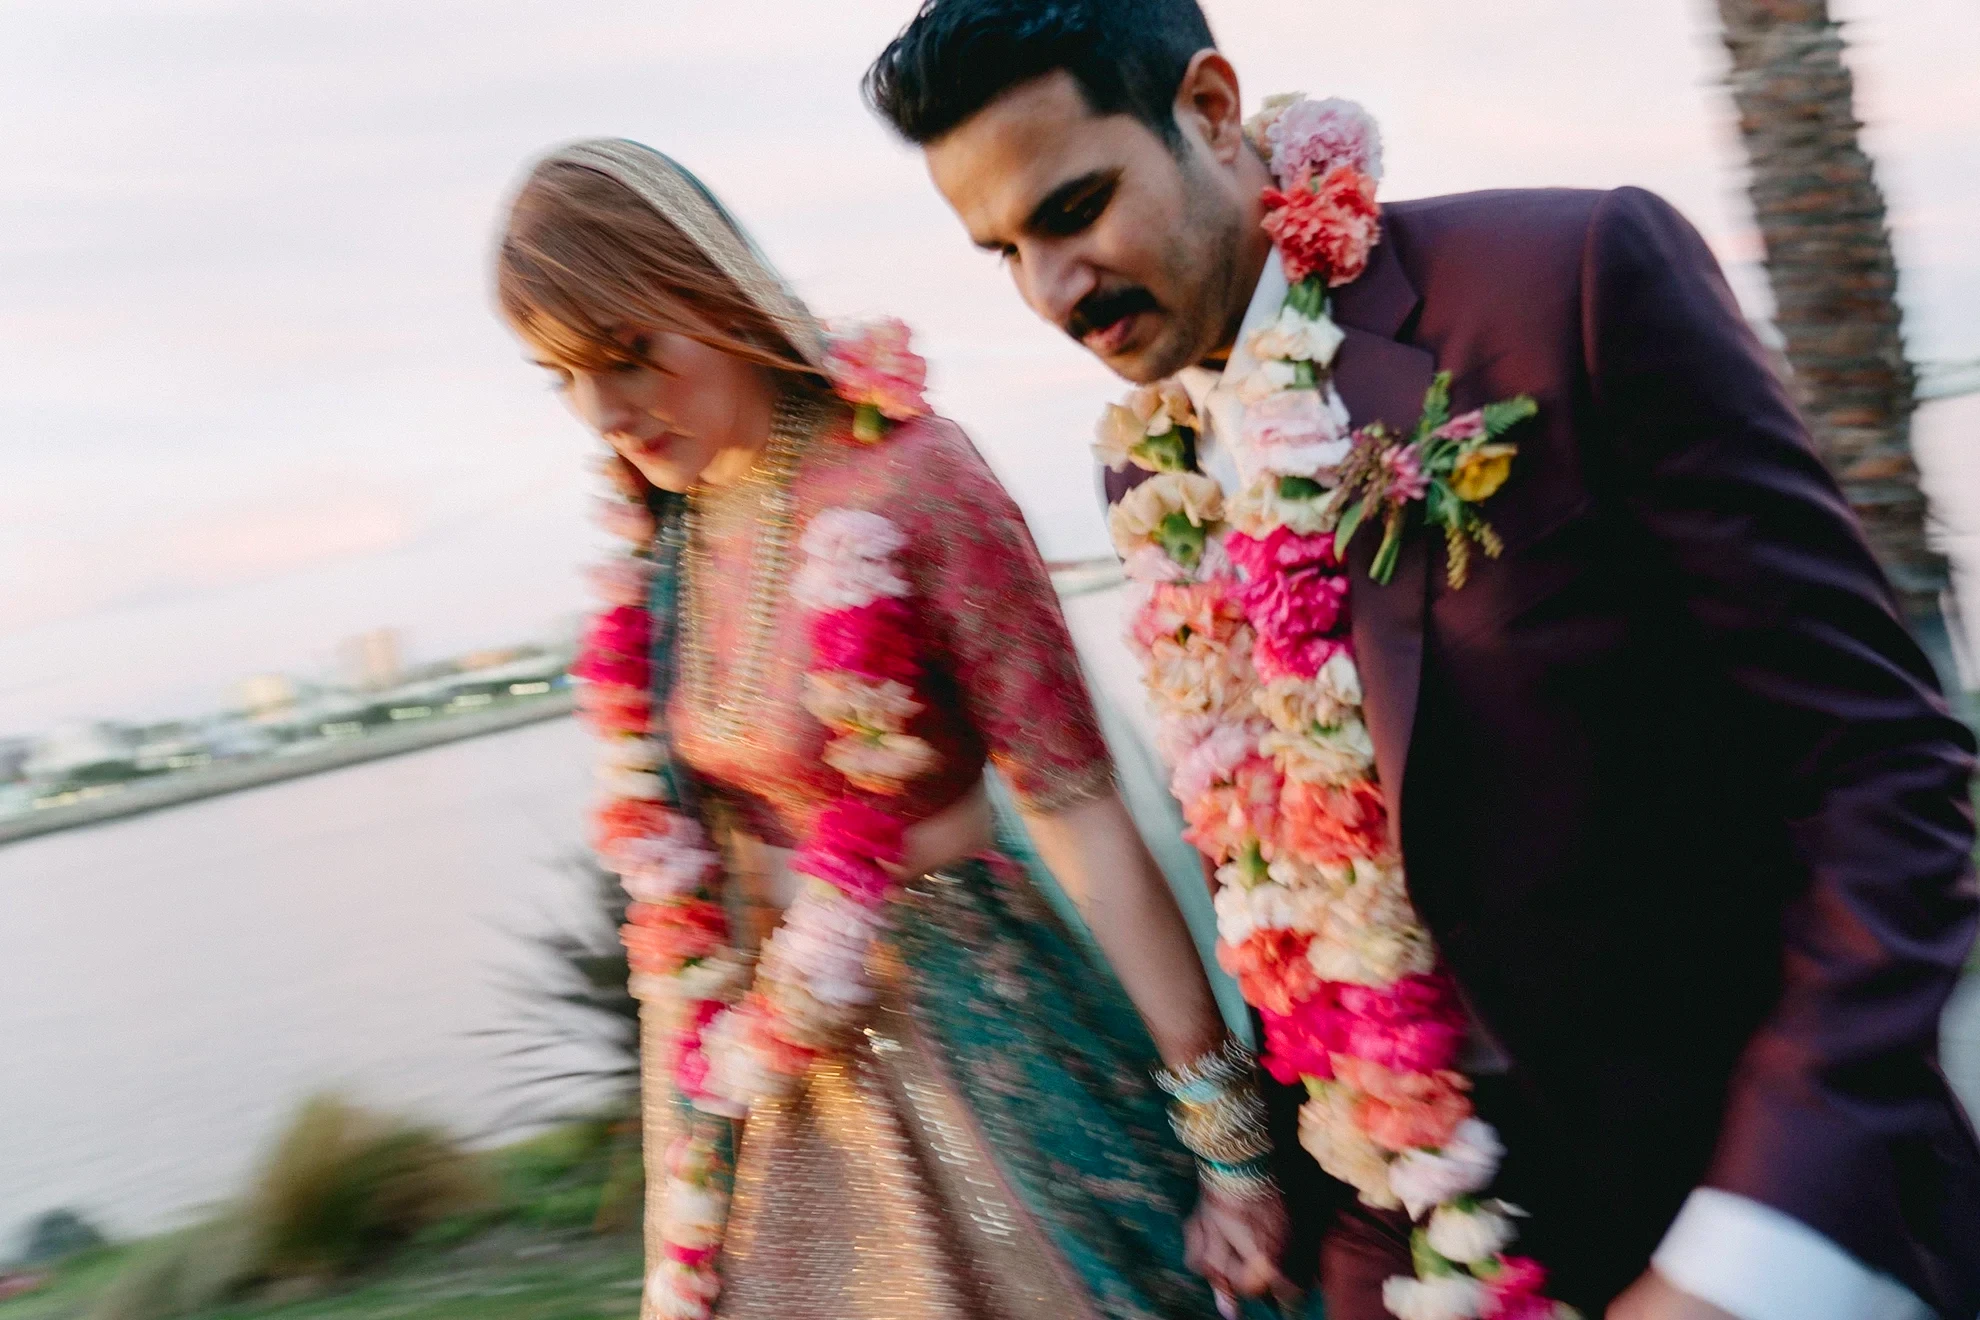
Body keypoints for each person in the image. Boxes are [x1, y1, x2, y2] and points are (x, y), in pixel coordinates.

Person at [862, 4, 1980, 1319]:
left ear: (1213, 111)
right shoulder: (1146, 461)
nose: (1052, 291)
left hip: (1767, 1224)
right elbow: (1290, 883)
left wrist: (1744, 1254)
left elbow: (1885, 777)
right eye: (1003, 253)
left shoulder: (1564, 282)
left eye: (1077, 208)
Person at [494, 138, 1299, 1320]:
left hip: (984, 1048)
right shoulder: (660, 533)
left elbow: (1075, 804)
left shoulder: (912, 480)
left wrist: (1229, 1148)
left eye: (628, 355)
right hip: (775, 1099)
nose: (603, 411)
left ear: (711, 293)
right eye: (560, 374)